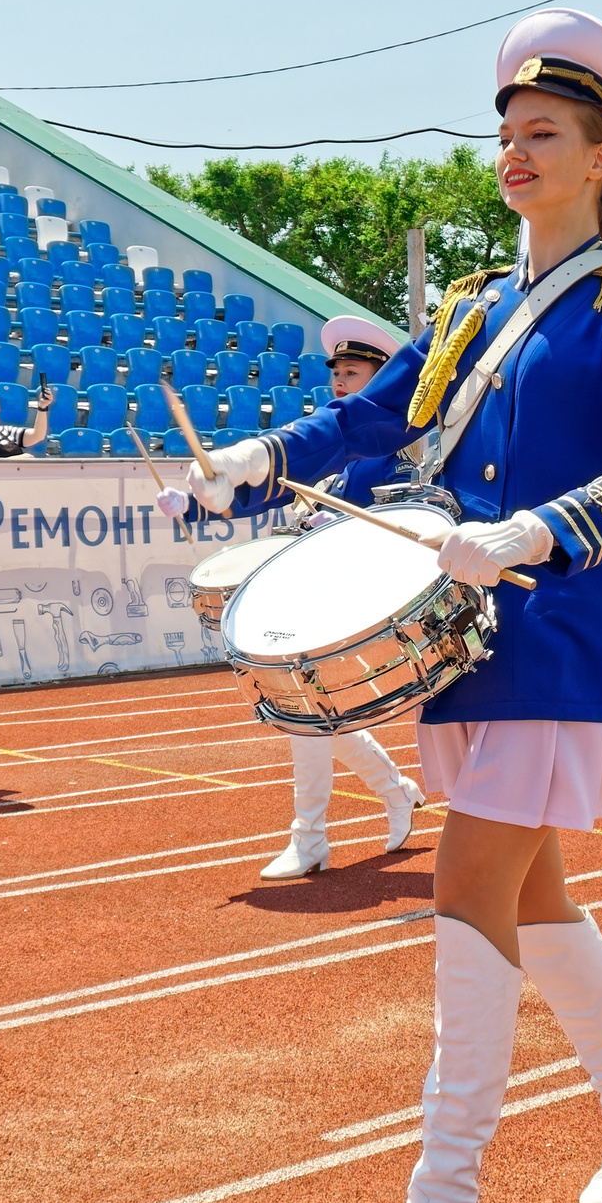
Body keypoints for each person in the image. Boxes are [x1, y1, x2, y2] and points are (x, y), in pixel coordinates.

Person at [177, 9, 602, 1203]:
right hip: (464, 638)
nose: (515, 151)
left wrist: (542, 526)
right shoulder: (469, 306)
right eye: (507, 132)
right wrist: (262, 459)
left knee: (466, 882)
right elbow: (370, 418)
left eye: (545, 134)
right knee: (535, 896)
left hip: (559, 629)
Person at [158, 313, 427, 876]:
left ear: (382, 381)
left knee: (307, 713)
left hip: (351, 591)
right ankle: (393, 792)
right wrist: (201, 503)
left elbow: (398, 517)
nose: (340, 383)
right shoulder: (329, 448)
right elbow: (273, 490)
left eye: (353, 374)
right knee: (317, 714)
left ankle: (310, 839)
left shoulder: (393, 450)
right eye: (337, 373)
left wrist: (338, 527)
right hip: (314, 588)